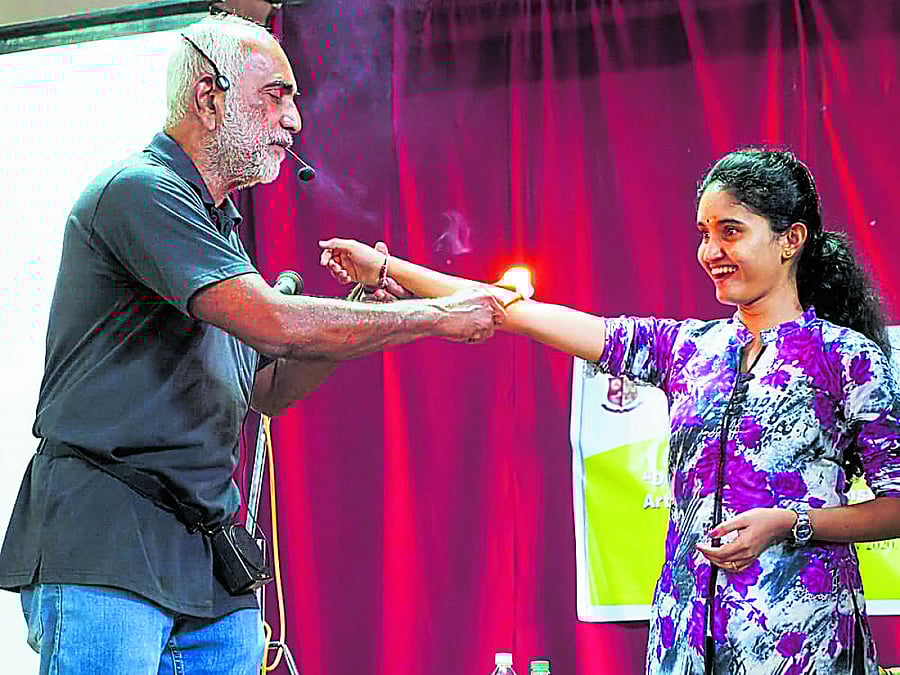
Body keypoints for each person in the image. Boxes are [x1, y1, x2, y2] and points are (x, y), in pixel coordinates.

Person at [0, 13, 505, 675]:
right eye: (276, 94)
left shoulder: (220, 232)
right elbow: (272, 322)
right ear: (209, 99)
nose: (294, 120)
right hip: (109, 539)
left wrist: (358, 316)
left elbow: (266, 388)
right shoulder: (141, 192)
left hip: (205, 555)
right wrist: (437, 315)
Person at [319, 147, 900, 674]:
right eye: (703, 233)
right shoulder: (691, 349)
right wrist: (389, 272)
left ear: (790, 239)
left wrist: (792, 524)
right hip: (686, 635)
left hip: (801, 636)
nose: (711, 252)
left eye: (731, 232)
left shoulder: (843, 357)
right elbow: (513, 311)